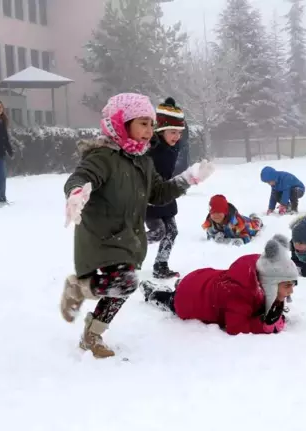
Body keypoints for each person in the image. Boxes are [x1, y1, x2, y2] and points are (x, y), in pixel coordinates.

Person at [59, 93, 214, 358]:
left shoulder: (143, 160)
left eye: (151, 124)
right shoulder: (102, 157)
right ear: (121, 122)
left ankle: (92, 336)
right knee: (126, 283)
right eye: (143, 123)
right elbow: (82, 177)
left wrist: (188, 179)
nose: (149, 130)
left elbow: (158, 193)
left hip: (128, 239)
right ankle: (78, 289)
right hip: (102, 237)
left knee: (122, 288)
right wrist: (76, 193)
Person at [140, 234, 298, 336]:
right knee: (173, 300)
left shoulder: (261, 269)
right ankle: (154, 293)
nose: (291, 290)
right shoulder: (240, 293)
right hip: (190, 299)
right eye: (287, 286)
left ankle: (181, 285)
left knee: (198, 289)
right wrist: (261, 325)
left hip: (202, 279)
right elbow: (235, 327)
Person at [146, 97, 186, 279]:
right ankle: (127, 249)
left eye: (179, 132)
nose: (177, 136)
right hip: (149, 197)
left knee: (172, 231)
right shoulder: (150, 146)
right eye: (172, 132)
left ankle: (160, 265)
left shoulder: (174, 146)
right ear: (161, 130)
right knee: (157, 232)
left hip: (166, 194)